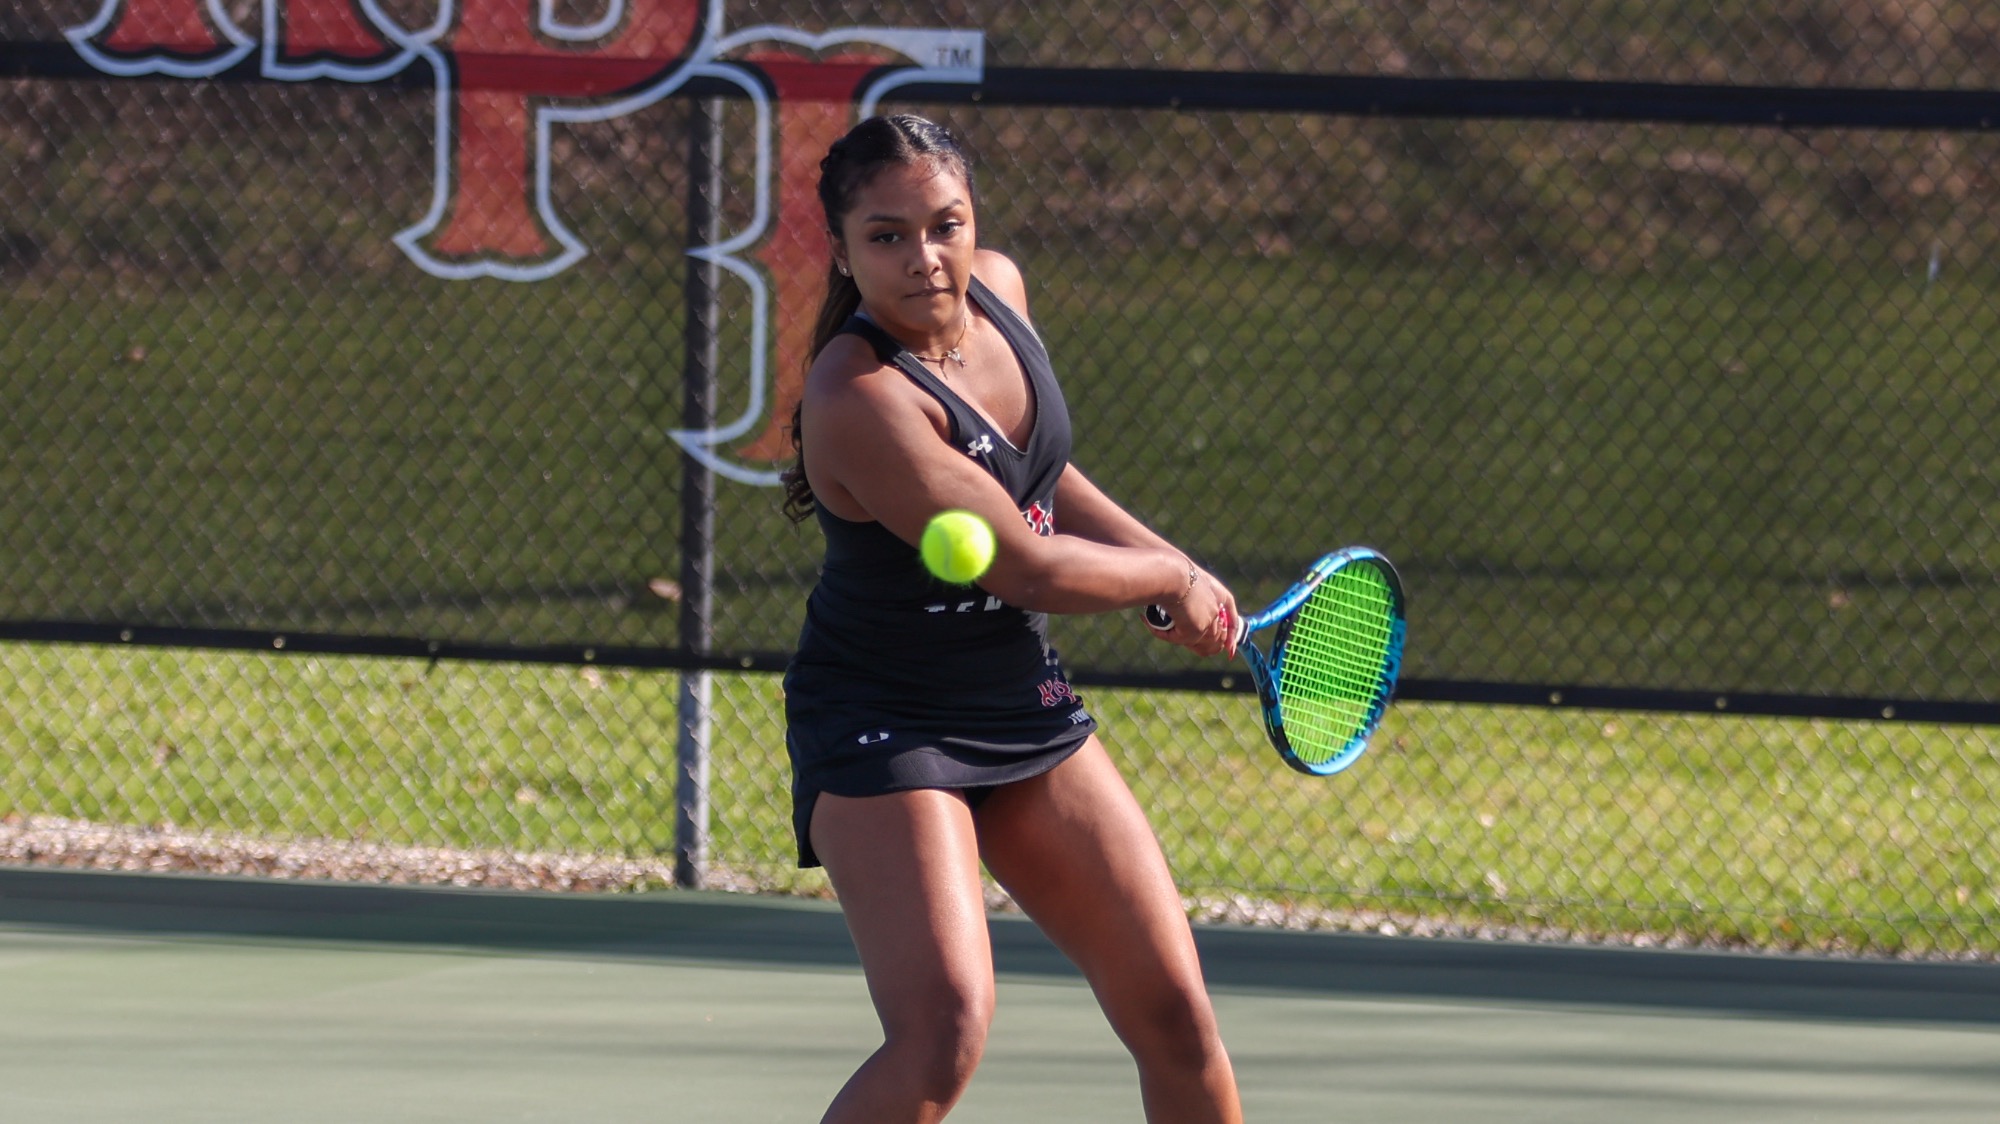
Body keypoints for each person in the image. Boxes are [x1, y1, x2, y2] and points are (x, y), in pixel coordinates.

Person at [780, 113, 1244, 1124]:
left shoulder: (1001, 292)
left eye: (943, 224)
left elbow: (1039, 475)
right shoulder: (856, 397)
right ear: (844, 250)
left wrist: (1178, 571)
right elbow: (1028, 564)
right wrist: (1161, 572)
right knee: (942, 1029)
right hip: (882, 717)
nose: (924, 258)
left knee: (1175, 1017)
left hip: (1013, 694)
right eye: (887, 236)